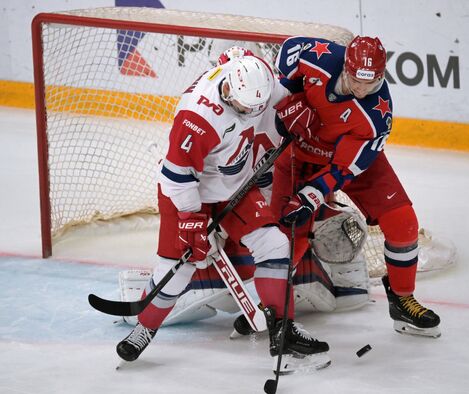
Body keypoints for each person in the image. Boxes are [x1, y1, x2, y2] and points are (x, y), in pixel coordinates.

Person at [115, 53, 330, 373]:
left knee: (275, 244)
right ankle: (144, 328)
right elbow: (177, 177)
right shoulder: (198, 117)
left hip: (235, 183)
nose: (231, 99)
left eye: (242, 104)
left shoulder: (258, 80)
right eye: (229, 93)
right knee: (180, 266)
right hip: (187, 192)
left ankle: (282, 332)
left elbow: (281, 101)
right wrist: (190, 219)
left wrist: (293, 112)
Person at [271, 35, 441, 338]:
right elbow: (287, 53)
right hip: (299, 150)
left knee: (403, 223)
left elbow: (345, 168)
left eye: (372, 84)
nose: (363, 90)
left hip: (345, 160)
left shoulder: (376, 114)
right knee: (288, 236)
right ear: (345, 67)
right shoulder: (318, 57)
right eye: (356, 81)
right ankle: (271, 307)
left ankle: (402, 300)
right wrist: (292, 98)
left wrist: (312, 194)